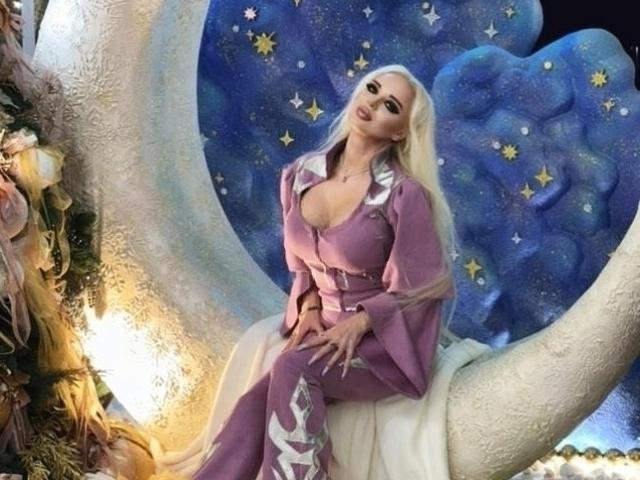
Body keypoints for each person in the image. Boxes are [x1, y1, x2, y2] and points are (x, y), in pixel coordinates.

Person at [192, 64, 458, 480]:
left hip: (381, 344)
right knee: (250, 410)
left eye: (390, 105)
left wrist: (363, 321)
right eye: (371, 89)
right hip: (322, 328)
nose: (372, 102)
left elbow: (423, 287)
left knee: (292, 367)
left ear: (400, 133)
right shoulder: (300, 174)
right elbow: (300, 262)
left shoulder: (404, 195)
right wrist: (311, 305)